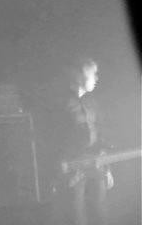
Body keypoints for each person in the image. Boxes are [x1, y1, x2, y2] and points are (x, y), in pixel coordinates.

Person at [52, 59, 113, 225]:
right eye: (93, 74)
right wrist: (61, 166)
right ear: (79, 76)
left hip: (96, 164)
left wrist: (107, 167)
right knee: (77, 215)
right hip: (72, 167)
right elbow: (53, 138)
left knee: (100, 213)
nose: (97, 78)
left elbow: (101, 132)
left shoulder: (92, 102)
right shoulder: (61, 103)